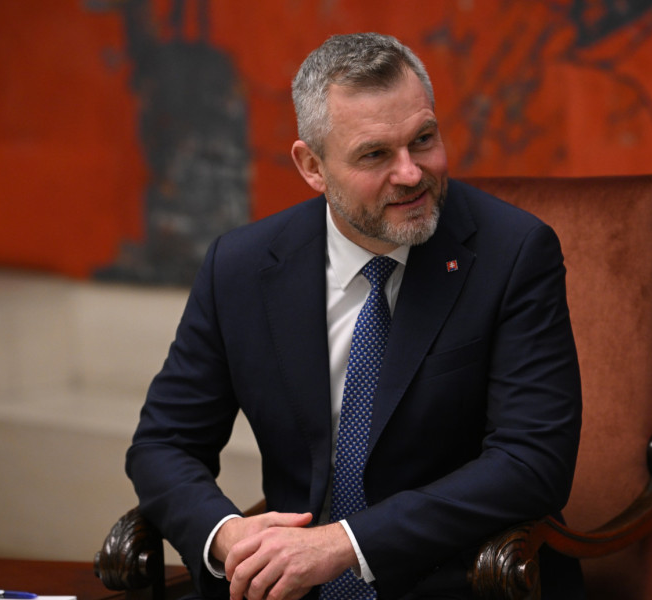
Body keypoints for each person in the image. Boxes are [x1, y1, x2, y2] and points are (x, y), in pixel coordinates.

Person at [126, 32, 583, 600]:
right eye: (375, 154)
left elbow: (532, 462)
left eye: (423, 140)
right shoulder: (241, 267)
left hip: (462, 583)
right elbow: (164, 443)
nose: (411, 173)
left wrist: (347, 544)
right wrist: (228, 536)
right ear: (312, 166)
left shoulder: (513, 254)